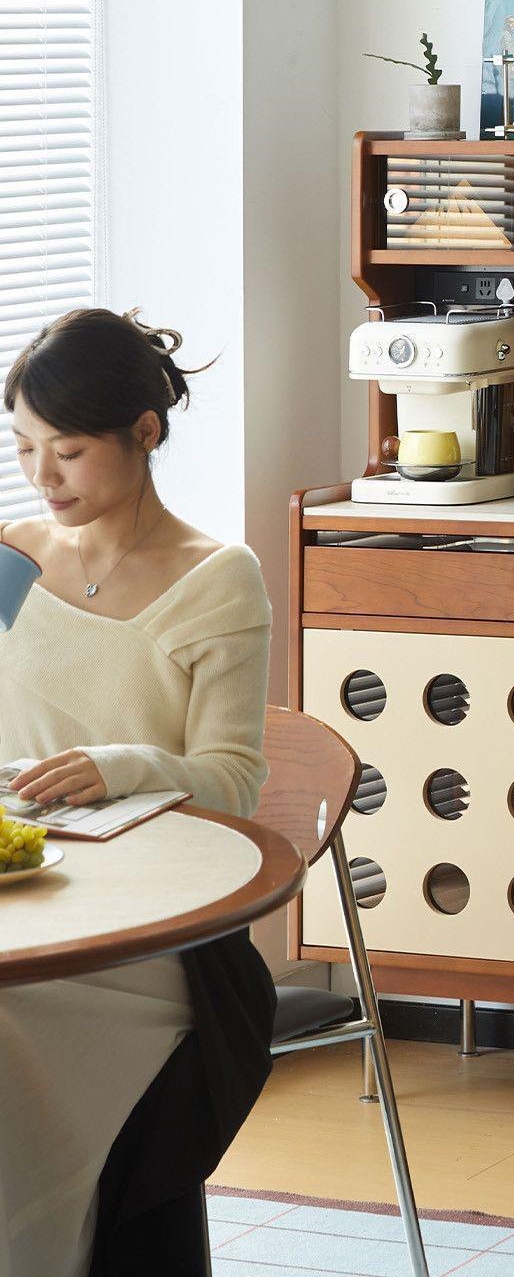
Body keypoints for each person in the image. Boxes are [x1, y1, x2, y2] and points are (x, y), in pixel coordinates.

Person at [0, 308, 275, 1276]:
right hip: (20, 894)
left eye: (67, 451)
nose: (43, 478)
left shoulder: (218, 580)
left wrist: (124, 765)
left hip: (151, 936)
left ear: (144, 433)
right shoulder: (15, 557)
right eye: (26, 449)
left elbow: (234, 785)